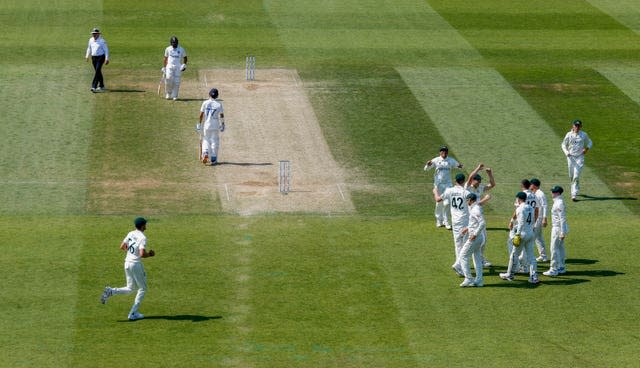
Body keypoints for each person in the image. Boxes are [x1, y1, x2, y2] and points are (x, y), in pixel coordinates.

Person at [100, 217, 155, 321]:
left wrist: (131, 253)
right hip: (135, 264)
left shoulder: (130, 233)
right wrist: (150, 254)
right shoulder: (142, 237)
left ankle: (111, 291)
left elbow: (122, 246)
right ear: (142, 226)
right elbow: (142, 254)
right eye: (145, 224)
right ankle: (133, 313)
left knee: (130, 288)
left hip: (127, 263)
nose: (146, 226)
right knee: (143, 289)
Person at [500, 192, 539, 284]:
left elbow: (521, 223)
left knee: (514, 254)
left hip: (522, 234)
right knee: (531, 257)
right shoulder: (530, 207)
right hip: (530, 233)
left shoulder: (520, 209)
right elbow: (533, 220)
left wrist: (517, 234)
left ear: (519, 199)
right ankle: (533, 277)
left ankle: (510, 274)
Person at [434, 173, 469, 277]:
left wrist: (435, 191)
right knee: (466, 245)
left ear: (455, 181)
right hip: (464, 221)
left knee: (458, 245)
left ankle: (460, 266)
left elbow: (438, 199)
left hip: (455, 221)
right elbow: (473, 203)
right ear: (463, 181)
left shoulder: (449, 191)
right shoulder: (465, 192)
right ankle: (458, 264)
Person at [424, 146, 463, 229]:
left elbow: (458, 166)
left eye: (445, 151)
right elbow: (426, 169)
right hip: (438, 185)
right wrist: (427, 165)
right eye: (442, 151)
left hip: (448, 185)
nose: (444, 153)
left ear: (447, 152)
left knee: (448, 203)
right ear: (440, 152)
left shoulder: (451, 160)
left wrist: (460, 166)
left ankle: (447, 222)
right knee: (439, 203)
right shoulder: (436, 160)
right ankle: (439, 221)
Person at [465, 163, 495, 267]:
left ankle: (480, 258)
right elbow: (469, 177)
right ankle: (466, 260)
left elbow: (492, 185)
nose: (479, 182)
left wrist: (490, 174)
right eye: (477, 180)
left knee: (483, 239)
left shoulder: (480, 187)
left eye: (480, 181)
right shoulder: (468, 188)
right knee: (473, 240)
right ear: (473, 181)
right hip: (472, 217)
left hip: (478, 215)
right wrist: (478, 168)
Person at [561, 119, 593, 201]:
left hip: (580, 158)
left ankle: (573, 194)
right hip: (570, 157)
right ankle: (576, 187)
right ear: (573, 126)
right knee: (571, 176)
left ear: (581, 127)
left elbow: (590, 142)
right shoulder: (569, 134)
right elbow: (563, 145)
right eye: (576, 126)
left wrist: (586, 149)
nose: (577, 127)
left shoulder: (583, 135)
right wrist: (566, 152)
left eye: (579, 126)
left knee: (576, 176)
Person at [459, 193, 486, 287]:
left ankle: (468, 279)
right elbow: (474, 223)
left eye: (467, 200)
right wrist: (467, 228)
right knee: (477, 258)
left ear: (471, 200)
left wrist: (474, 234)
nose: (466, 202)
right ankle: (479, 281)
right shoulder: (474, 208)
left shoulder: (476, 209)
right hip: (478, 237)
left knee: (463, 256)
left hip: (475, 238)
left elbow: (482, 223)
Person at [543, 186, 569, 277]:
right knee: (560, 248)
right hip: (559, 228)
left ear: (558, 193)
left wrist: (562, 232)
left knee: (554, 249)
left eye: (553, 192)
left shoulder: (559, 203)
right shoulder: (558, 202)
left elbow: (562, 218)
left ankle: (553, 269)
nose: (552, 193)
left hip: (557, 228)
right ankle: (561, 267)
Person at [198, 88, 225, 165]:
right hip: (215, 125)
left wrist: (199, 124)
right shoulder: (219, 104)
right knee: (215, 140)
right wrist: (222, 124)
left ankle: (205, 152)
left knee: (206, 139)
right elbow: (221, 115)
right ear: (217, 96)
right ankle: (213, 157)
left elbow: (201, 114)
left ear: (209, 94)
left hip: (207, 125)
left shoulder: (205, 103)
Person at [162, 36, 188, 100]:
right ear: (171, 43)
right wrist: (164, 67)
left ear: (177, 43)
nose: (174, 44)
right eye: (173, 43)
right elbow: (165, 59)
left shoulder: (181, 49)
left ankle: (175, 95)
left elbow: (185, 58)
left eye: (175, 43)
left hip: (178, 66)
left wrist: (184, 65)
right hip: (169, 66)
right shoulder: (168, 49)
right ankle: (168, 93)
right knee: (168, 79)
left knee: (176, 81)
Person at [85, 28, 110, 92]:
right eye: (93, 34)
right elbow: (89, 48)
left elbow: (106, 50)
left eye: (95, 34)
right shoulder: (90, 40)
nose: (94, 35)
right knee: (98, 71)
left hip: (101, 57)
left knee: (97, 71)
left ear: (98, 34)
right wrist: (87, 56)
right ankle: (102, 85)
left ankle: (94, 86)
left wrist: (107, 59)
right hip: (94, 58)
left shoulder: (102, 41)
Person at [530, 178, 549, 262]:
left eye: (531, 184)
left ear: (533, 185)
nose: (530, 186)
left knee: (532, 237)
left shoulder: (540, 194)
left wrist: (544, 218)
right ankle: (543, 256)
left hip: (539, 218)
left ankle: (529, 256)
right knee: (538, 237)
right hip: (537, 217)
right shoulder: (535, 193)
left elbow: (545, 206)